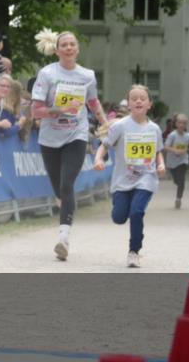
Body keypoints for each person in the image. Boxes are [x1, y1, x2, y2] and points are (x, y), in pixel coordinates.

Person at [30, 28, 109, 261]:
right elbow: (36, 110)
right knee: (58, 189)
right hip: (50, 138)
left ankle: (63, 238)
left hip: (77, 133)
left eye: (72, 44)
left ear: (78, 48)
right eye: (64, 45)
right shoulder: (47, 74)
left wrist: (105, 123)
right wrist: (58, 110)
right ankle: (64, 212)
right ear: (56, 50)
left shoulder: (87, 75)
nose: (69, 48)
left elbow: (93, 102)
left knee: (67, 184)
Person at [94, 85, 165, 268]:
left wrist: (161, 163)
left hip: (146, 178)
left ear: (149, 104)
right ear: (129, 104)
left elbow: (158, 151)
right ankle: (119, 210)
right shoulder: (120, 126)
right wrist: (98, 158)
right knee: (119, 218)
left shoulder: (154, 129)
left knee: (137, 212)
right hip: (122, 180)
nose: (138, 101)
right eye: (134, 98)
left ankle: (134, 252)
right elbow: (104, 145)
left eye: (142, 98)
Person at [163, 113, 189, 209]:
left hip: (183, 161)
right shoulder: (172, 135)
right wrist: (175, 150)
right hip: (172, 162)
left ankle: (178, 198)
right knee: (176, 180)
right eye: (180, 123)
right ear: (176, 124)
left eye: (184, 123)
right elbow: (166, 147)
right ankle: (177, 183)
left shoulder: (188, 136)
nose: (181, 125)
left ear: (186, 125)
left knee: (181, 180)